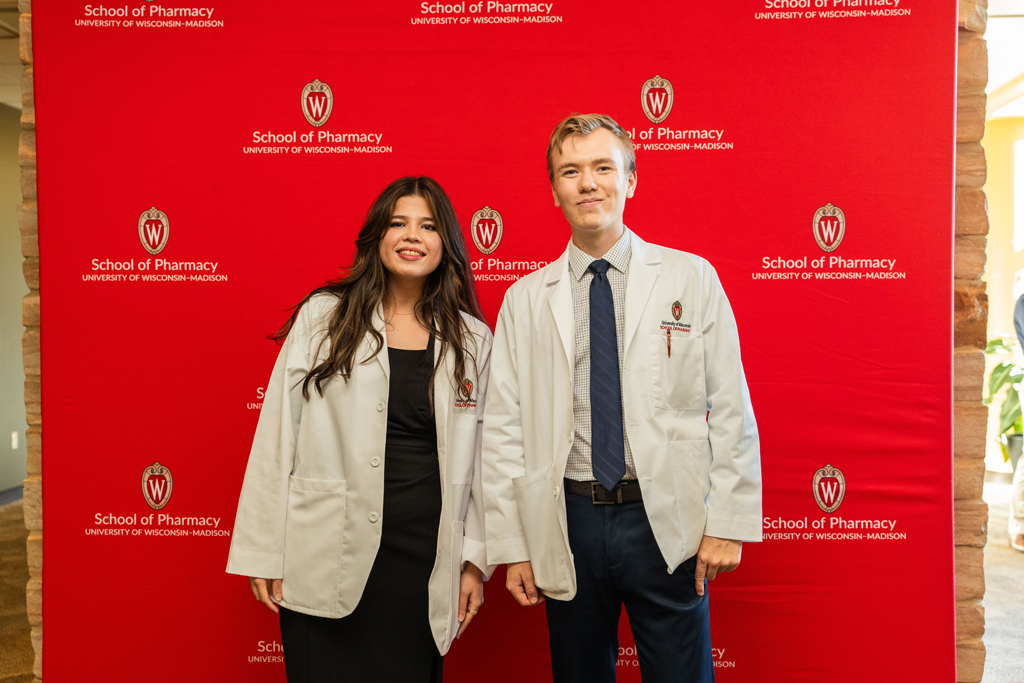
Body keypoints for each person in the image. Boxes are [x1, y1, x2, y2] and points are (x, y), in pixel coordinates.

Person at [481, 114, 762, 683]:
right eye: (571, 171)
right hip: (569, 517)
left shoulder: (692, 278)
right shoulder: (526, 299)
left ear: (631, 179)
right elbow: (503, 428)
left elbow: (730, 404)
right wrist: (515, 544)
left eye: (603, 168)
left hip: (665, 519)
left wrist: (727, 521)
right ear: (554, 189)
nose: (588, 183)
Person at [226, 176, 493, 683]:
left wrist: (474, 563)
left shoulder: (473, 339)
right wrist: (263, 548)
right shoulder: (324, 317)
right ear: (377, 236)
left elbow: (482, 463)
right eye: (398, 223)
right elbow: (277, 434)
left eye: (428, 226)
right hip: (327, 546)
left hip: (422, 560)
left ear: (447, 243)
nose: (412, 236)